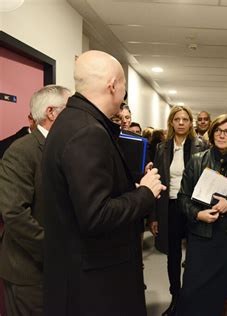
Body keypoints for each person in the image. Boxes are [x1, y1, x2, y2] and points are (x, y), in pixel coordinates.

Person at [41, 50, 166, 316]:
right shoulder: (88, 132)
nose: (123, 96)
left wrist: (129, 188)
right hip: (96, 285)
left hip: (79, 274)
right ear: (113, 85)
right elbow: (96, 215)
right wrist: (145, 192)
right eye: (124, 88)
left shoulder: (72, 121)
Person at [176, 114, 227, 316]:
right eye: (219, 131)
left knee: (221, 289)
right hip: (201, 232)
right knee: (192, 287)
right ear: (212, 134)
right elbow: (183, 198)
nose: (222, 135)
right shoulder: (196, 161)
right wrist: (198, 215)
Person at [0, 85, 70, 316]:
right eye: (69, 110)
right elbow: (14, 214)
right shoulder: (21, 150)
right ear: (52, 112)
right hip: (29, 271)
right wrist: (54, 250)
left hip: (54, 268)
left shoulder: (60, 147)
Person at [148, 106, 207, 316]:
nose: (181, 123)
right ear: (171, 123)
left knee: (194, 255)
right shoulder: (162, 148)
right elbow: (157, 182)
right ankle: (176, 298)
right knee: (172, 255)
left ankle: (191, 299)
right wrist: (153, 217)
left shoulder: (202, 146)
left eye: (185, 119)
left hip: (193, 206)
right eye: (177, 119)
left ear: (191, 123)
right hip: (170, 207)